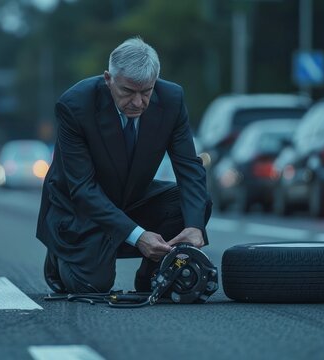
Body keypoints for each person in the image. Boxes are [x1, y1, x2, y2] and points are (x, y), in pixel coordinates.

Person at [36, 37, 211, 294]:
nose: (138, 102)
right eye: (128, 91)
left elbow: (189, 167)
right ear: (109, 79)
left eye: (146, 91)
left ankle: (153, 274)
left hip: (130, 198)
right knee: (93, 285)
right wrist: (139, 236)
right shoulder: (75, 106)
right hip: (78, 209)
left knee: (196, 202)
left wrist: (195, 227)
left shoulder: (172, 99)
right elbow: (83, 189)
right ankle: (60, 255)